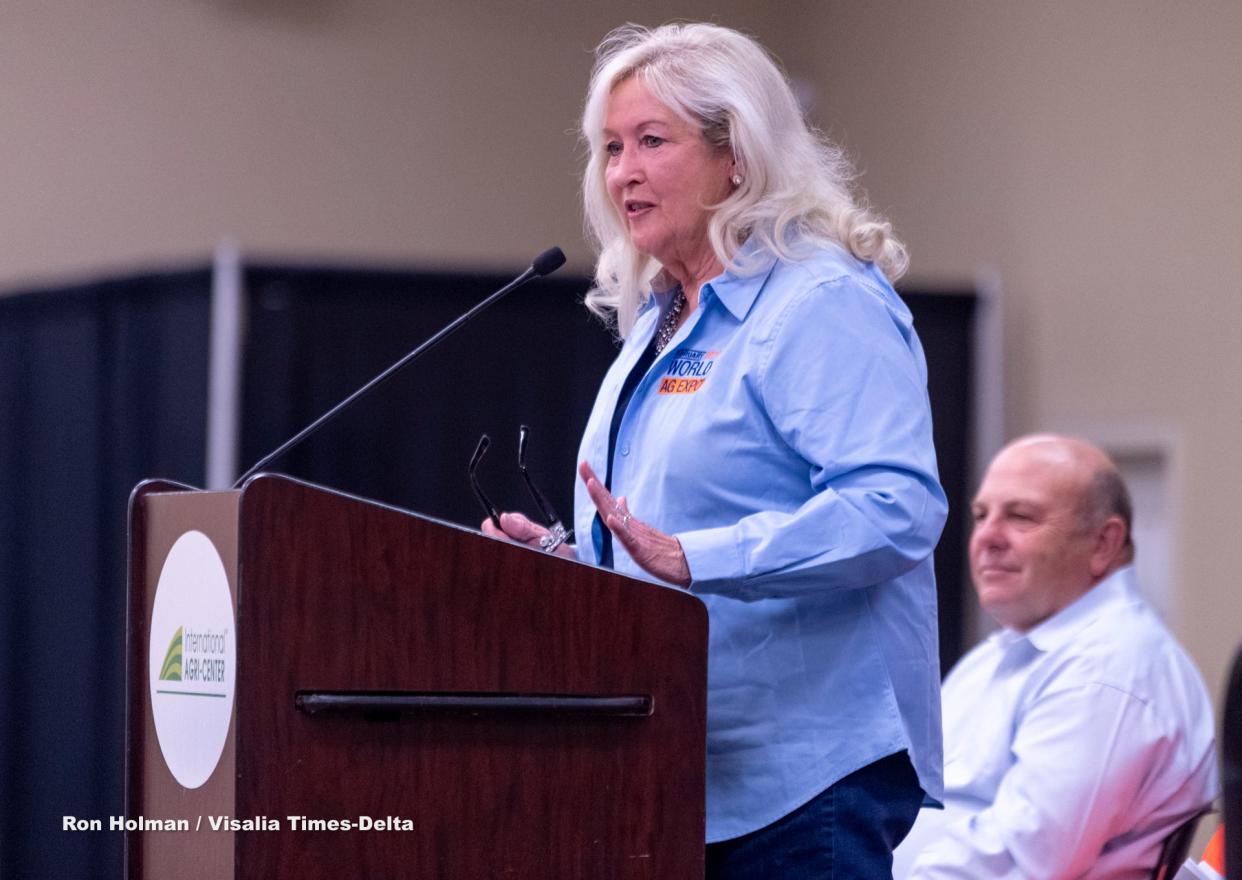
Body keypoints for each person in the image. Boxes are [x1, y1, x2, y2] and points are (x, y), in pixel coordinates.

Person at [484, 22, 947, 877]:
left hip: (805, 784)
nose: (623, 171)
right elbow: (662, 531)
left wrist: (697, 558)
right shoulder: (661, 320)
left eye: (652, 141)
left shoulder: (818, 302)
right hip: (678, 769)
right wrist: (565, 557)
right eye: (611, 147)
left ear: (737, 153)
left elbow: (896, 509)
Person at [895, 434, 1218, 879]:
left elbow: (1027, 861)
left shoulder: (1110, 664)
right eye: (981, 515)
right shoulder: (997, 656)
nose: (986, 537)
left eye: (1021, 517)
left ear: (1104, 544)